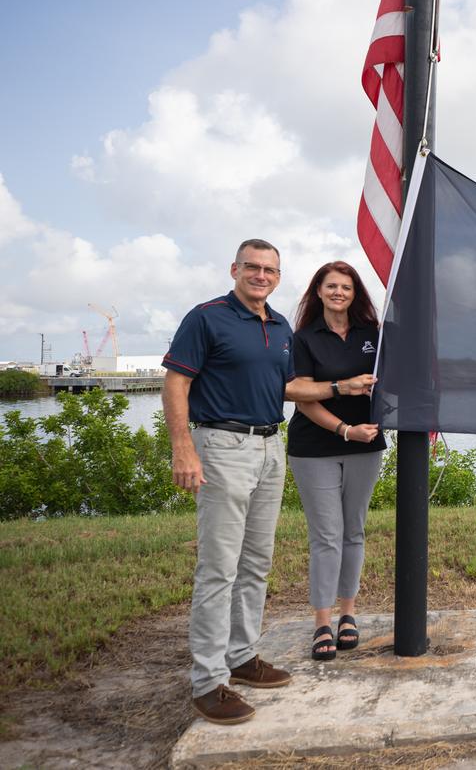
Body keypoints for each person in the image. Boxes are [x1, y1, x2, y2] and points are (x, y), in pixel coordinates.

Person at [162, 239, 376, 725]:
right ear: (234, 268)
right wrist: (183, 447)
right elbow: (176, 382)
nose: (261, 276)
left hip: (268, 446)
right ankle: (208, 681)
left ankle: (242, 657)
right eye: (253, 268)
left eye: (270, 270)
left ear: (279, 277)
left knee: (256, 562)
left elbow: (289, 388)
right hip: (221, 446)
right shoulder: (207, 317)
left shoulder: (279, 326)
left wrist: (342, 387)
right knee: (219, 567)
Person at [286, 261, 385, 662]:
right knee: (327, 536)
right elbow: (299, 394)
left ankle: (349, 615)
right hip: (315, 447)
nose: (339, 292)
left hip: (367, 445)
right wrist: (345, 427)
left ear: (355, 293)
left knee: (353, 532)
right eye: (332, 286)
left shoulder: (373, 336)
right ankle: (322, 623)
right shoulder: (304, 338)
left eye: (346, 287)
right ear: (319, 291)